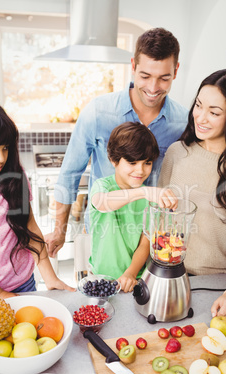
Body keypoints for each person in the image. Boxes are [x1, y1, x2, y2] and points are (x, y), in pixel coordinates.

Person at [45, 27, 188, 257]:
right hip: (104, 236)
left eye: (164, 78)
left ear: (176, 71)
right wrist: (59, 230)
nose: (153, 88)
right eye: (145, 76)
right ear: (133, 66)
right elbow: (70, 173)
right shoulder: (98, 112)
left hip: (151, 240)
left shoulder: (183, 123)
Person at [158, 68, 226, 323]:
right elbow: (159, 222)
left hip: (221, 287)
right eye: (199, 105)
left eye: (214, 112)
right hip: (169, 280)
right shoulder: (177, 153)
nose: (200, 117)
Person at [0, 98, 75, 298]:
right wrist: (0, 294)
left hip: (24, 284)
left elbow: (30, 228)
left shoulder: (15, 177)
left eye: (5, 148)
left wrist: (50, 277)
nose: (1, 158)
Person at [89, 122, 177, 293]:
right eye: (132, 162)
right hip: (101, 278)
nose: (140, 170)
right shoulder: (103, 186)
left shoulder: (149, 198)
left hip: (135, 279)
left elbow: (145, 245)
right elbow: (102, 203)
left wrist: (130, 274)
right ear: (114, 160)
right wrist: (143, 192)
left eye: (147, 162)